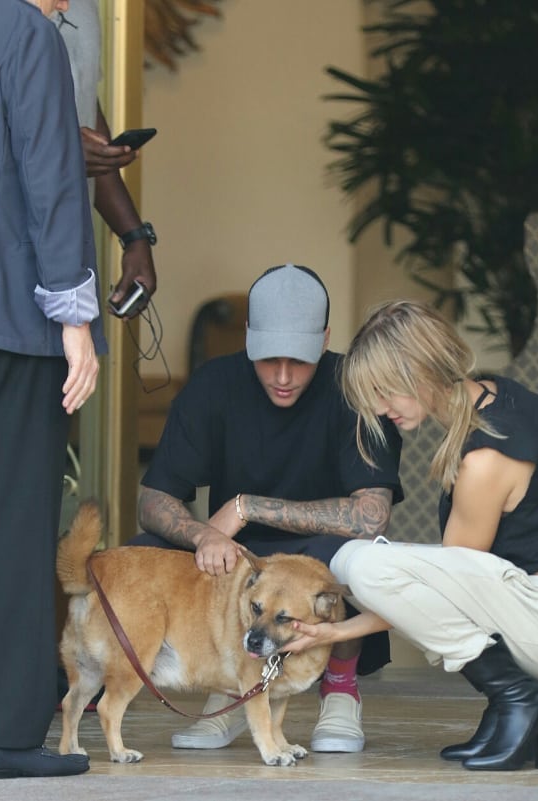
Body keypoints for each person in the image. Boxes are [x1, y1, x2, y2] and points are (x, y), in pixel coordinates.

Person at [284, 300, 538, 771]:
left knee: (359, 561)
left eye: (383, 391)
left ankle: (521, 699)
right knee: (365, 563)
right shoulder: (500, 399)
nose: (379, 409)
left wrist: (341, 628)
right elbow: (454, 583)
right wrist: (334, 632)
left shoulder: (485, 460)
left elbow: (445, 588)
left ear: (418, 369)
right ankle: (510, 704)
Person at [132, 264, 404, 752]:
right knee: (146, 552)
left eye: (298, 360)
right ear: (247, 338)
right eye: (268, 358)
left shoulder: (353, 387)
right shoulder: (215, 383)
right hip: (235, 561)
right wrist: (202, 535)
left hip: (315, 555)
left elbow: (372, 514)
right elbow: (152, 500)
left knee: (362, 558)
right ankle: (230, 692)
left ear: (323, 340)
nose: (282, 376)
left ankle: (340, 690)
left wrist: (247, 507)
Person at [0, 0, 107, 778]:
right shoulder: (22, 31)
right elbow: (50, 174)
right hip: (12, 321)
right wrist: (74, 314)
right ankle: (5, 727)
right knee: (16, 518)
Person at [54, 0, 157, 310]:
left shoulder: (84, 6)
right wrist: (60, 150)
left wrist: (133, 235)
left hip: (67, 262)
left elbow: (83, 105)